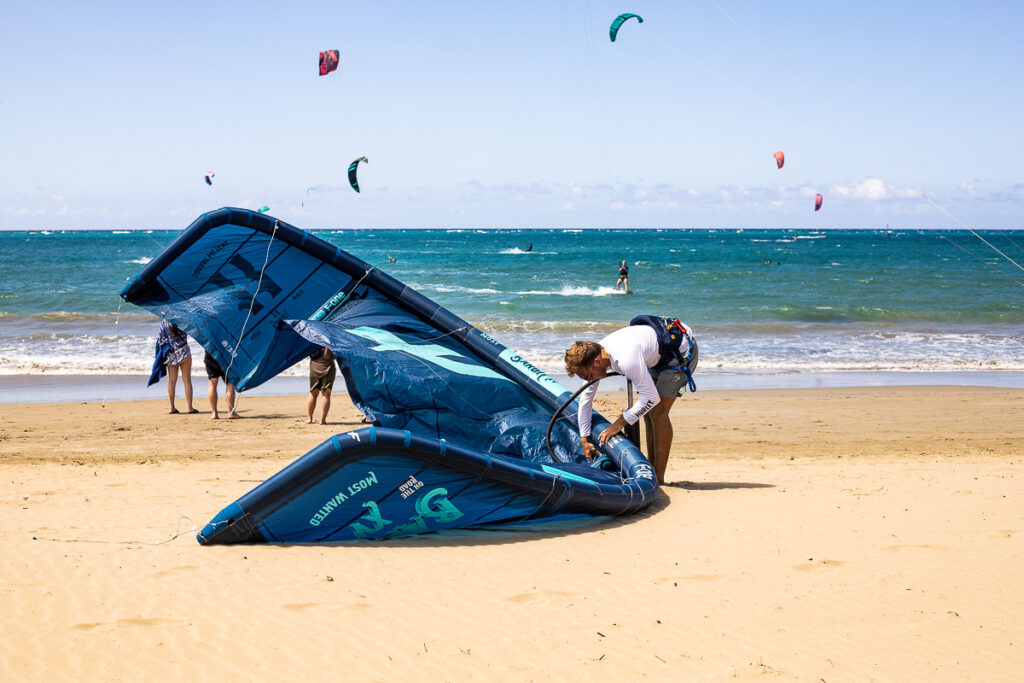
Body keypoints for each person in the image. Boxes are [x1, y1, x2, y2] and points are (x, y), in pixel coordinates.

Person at [563, 317, 698, 484]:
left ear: (597, 361)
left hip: (680, 351)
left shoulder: (626, 360)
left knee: (658, 411)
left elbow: (650, 398)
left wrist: (618, 424)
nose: (589, 380)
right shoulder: (593, 355)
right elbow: (585, 399)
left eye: (589, 376)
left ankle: (659, 478)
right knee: (649, 413)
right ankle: (653, 469)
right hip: (658, 351)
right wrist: (584, 439)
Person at [155, 320, 197, 414]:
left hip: (171, 354)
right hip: (184, 351)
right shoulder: (182, 320)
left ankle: (171, 407)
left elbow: (160, 340)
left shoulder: (164, 323)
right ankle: (190, 407)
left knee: (172, 381)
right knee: (187, 380)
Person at [204, 352, 240, 419]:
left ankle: (214, 413)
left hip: (210, 353)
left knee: (212, 384)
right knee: (230, 383)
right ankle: (231, 412)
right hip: (224, 355)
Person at [308, 346, 338, 424]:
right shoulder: (331, 336)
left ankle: (309, 418)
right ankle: (322, 419)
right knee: (326, 394)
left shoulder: (313, 335)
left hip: (314, 366)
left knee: (313, 393)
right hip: (328, 366)